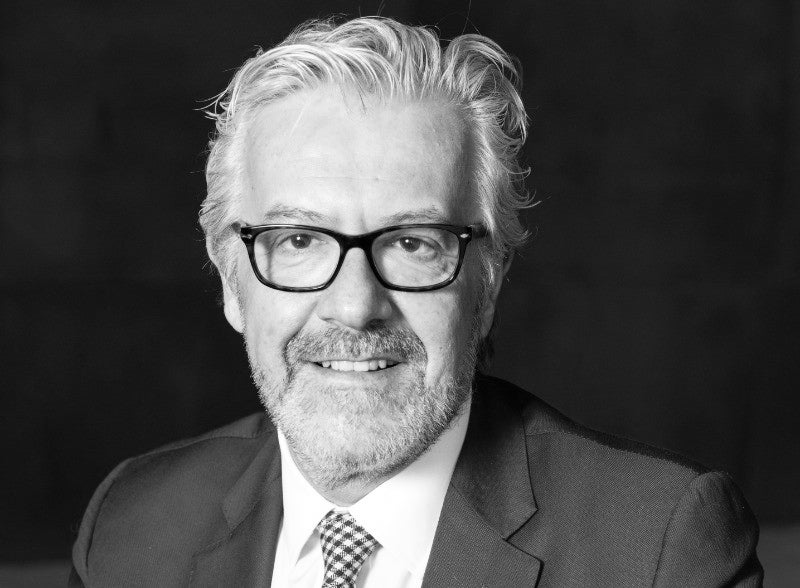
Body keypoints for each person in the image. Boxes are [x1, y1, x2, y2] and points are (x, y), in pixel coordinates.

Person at [70, 16, 762, 587]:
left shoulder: (662, 550)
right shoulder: (130, 524)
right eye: (300, 239)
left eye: (412, 243)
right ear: (230, 277)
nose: (354, 306)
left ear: (488, 280)